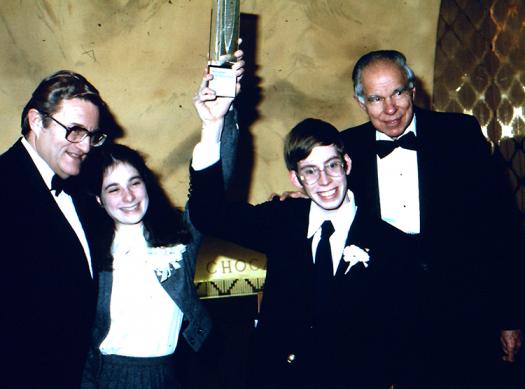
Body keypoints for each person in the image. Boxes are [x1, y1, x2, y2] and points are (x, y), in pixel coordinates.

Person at [342, 49, 524, 388]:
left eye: (397, 92)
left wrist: (510, 317)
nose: (390, 108)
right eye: (376, 98)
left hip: (462, 313)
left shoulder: (460, 134)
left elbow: (501, 228)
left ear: (413, 90)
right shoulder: (346, 149)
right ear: (360, 101)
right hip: (385, 319)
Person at [188, 103, 392, 387]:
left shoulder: (389, 242)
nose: (324, 180)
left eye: (331, 165)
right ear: (296, 179)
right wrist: (213, 124)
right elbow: (208, 214)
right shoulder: (281, 219)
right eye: (310, 171)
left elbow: (394, 340)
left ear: (346, 164)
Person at [80, 56, 244, 389]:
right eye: (113, 188)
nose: (128, 196)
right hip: (107, 379)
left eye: (134, 182)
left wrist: (215, 121)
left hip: (173, 376)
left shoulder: (179, 240)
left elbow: (213, 190)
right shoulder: (87, 252)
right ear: (98, 199)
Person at [0, 70, 117, 388]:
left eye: (93, 135)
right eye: (75, 131)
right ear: (36, 121)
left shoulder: (81, 190)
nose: (86, 146)